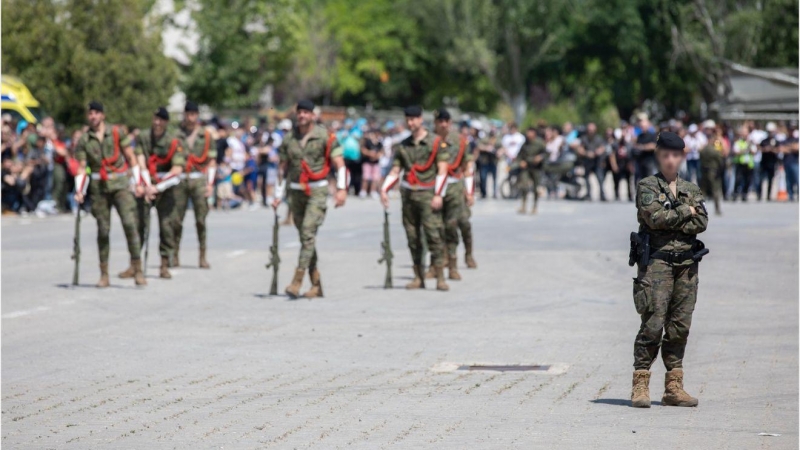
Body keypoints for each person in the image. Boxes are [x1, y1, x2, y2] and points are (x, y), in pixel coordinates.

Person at [631, 131, 708, 409]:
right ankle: (640, 383)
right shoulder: (647, 185)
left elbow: (701, 222)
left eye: (675, 156)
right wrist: (685, 212)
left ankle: (673, 387)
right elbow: (655, 218)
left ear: (682, 157)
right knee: (653, 323)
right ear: (658, 156)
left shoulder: (691, 188)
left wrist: (681, 216)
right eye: (666, 155)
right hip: (657, 263)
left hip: (686, 264)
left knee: (680, 326)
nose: (671, 161)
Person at [271, 99, 348, 298]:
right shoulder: (289, 139)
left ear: (313, 115)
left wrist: (341, 189)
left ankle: (297, 280)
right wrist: (277, 194)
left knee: (307, 232)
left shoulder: (325, 136)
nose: (302, 116)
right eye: (300, 112)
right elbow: (282, 168)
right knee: (306, 237)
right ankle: (317, 284)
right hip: (295, 191)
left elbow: (339, 164)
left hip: (317, 190)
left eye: (306, 112)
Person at [73, 101, 145, 287]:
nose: (93, 116)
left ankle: (137, 269)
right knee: (103, 230)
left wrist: (138, 182)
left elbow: (131, 157)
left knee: (130, 225)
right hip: (99, 187)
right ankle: (104, 273)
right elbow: (82, 168)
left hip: (120, 183)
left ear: (103, 115)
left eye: (97, 113)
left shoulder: (116, 132)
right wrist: (79, 190)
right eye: (91, 113)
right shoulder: (84, 140)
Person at [380, 105, 450, 291]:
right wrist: (384, 189)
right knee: (413, 238)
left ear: (421, 119)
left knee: (434, 236)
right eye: (408, 119)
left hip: (428, 195)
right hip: (409, 195)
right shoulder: (403, 145)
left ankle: (440, 277)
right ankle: (418, 276)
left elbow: (443, 170)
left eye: (414, 119)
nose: (410, 123)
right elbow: (396, 170)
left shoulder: (435, 143)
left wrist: (438, 195)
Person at [133, 107, 185, 279]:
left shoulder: (173, 141)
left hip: (166, 186)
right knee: (140, 224)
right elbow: (140, 161)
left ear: (166, 122)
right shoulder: (143, 137)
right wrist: (146, 185)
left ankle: (164, 263)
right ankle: (135, 265)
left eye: (161, 120)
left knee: (166, 225)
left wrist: (157, 187)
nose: (157, 123)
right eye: (155, 119)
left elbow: (177, 169)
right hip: (147, 182)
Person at [423, 108, 475, 280]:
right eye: (440, 122)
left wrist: (469, 191)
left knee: (453, 226)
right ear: (435, 123)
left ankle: (453, 265)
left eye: (446, 121)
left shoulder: (459, 142)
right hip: (433, 188)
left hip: (454, 188)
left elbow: (467, 168)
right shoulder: (428, 141)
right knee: (433, 228)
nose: (443, 125)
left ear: (450, 123)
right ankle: (434, 266)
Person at [174, 101, 217, 269]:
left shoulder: (205, 136)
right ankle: (175, 253)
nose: (190, 118)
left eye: (193, 114)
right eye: (188, 114)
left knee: (201, 219)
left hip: (199, 179)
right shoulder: (177, 135)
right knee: (177, 219)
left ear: (197, 116)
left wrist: (210, 184)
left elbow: (212, 161)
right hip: (181, 179)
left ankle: (202, 255)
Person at [516, 127, 547, 213]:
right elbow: (519, 155)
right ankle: (523, 205)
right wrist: (520, 162)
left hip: (536, 168)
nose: (528, 134)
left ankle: (534, 206)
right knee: (524, 185)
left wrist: (540, 157)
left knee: (535, 188)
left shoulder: (540, 143)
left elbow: (546, 153)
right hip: (526, 167)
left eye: (530, 132)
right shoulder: (525, 143)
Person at [698, 121, 725, 216]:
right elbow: (720, 161)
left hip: (704, 170)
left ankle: (699, 208)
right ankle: (717, 209)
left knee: (703, 192)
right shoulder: (715, 151)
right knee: (715, 191)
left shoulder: (703, 150)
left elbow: (700, 159)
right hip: (713, 172)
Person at [578, 122, 608, 201]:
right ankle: (588, 194)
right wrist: (586, 153)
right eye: (589, 130)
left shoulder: (598, 138)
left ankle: (602, 195)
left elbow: (602, 148)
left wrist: (596, 152)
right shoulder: (584, 138)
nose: (591, 131)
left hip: (596, 162)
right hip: (587, 162)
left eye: (592, 130)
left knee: (600, 178)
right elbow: (580, 149)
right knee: (587, 178)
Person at [731, 126, 756, 202]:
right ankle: (735, 193)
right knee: (738, 179)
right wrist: (745, 150)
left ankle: (744, 194)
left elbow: (754, 151)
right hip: (740, 163)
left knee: (748, 180)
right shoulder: (738, 142)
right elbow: (736, 151)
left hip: (749, 164)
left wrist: (748, 148)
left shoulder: (751, 142)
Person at [758, 122, 780, 201]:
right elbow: (760, 148)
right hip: (764, 163)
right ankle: (759, 195)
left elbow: (778, 150)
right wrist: (766, 149)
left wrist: (772, 149)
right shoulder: (764, 141)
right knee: (761, 179)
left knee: (770, 179)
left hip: (772, 163)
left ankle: (768, 196)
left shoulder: (776, 141)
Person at [633, 113, 658, 183]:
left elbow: (653, 146)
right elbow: (636, 145)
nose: (642, 126)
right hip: (641, 162)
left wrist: (642, 147)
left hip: (650, 163)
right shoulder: (639, 136)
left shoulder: (652, 134)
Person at [360, 128, 382, 199]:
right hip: (367, 162)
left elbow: (381, 152)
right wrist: (370, 154)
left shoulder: (379, 143)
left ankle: (373, 191)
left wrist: (376, 156)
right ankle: (363, 191)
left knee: (375, 178)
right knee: (365, 177)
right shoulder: (368, 142)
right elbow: (363, 150)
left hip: (375, 163)